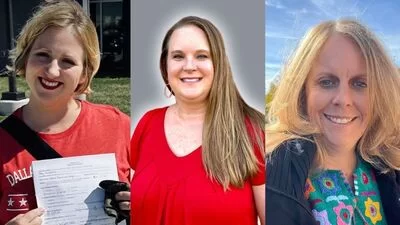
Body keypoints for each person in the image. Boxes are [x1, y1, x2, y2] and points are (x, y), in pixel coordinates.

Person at [0, 1, 131, 224]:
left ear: (84, 73)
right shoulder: (3, 141)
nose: (52, 70)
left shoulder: (119, 126)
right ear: (25, 58)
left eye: (67, 61)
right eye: (42, 54)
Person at [130, 16, 265, 225]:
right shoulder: (147, 123)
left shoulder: (253, 130)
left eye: (202, 56)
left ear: (218, 64)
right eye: (178, 56)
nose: (189, 66)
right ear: (165, 65)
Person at [266, 19, 400, 225]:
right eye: (326, 82)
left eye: (360, 84)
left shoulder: (392, 169)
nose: (343, 100)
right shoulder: (268, 179)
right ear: (303, 92)